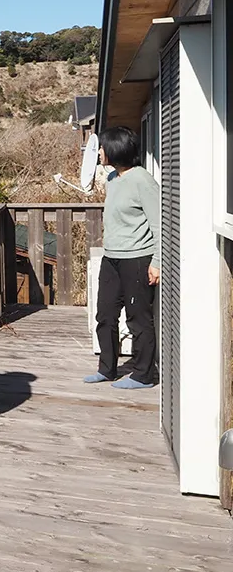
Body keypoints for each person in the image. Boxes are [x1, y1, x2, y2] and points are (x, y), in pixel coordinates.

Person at [85, 126, 160, 389]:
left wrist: (157, 262)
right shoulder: (113, 178)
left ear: (116, 149)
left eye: (103, 147)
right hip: (112, 257)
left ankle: (143, 375)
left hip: (137, 258)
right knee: (105, 315)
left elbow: (159, 223)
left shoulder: (142, 180)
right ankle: (107, 369)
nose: (99, 152)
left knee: (137, 319)